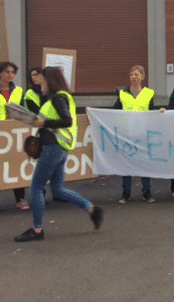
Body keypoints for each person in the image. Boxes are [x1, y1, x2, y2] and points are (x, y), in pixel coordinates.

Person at [14, 67, 103, 242]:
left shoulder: (57, 98)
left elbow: (67, 120)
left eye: (43, 81)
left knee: (36, 188)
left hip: (53, 148)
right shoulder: (62, 97)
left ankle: (37, 230)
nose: (40, 85)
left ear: (51, 81)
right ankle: (92, 209)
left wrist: (43, 122)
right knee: (58, 189)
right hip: (60, 148)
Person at [113, 65, 155, 204]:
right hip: (127, 134)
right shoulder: (122, 94)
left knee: (144, 163)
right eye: (131, 75)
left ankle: (146, 192)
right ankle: (126, 193)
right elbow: (113, 112)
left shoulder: (149, 93)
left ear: (142, 77)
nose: (134, 77)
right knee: (126, 164)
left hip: (143, 134)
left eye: (136, 75)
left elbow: (151, 113)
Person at [0, 61, 30, 210]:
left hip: (13, 132)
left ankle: (20, 199)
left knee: (15, 164)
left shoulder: (18, 91)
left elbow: (22, 111)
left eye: (13, 72)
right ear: (1, 73)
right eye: (7, 72)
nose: (10, 75)